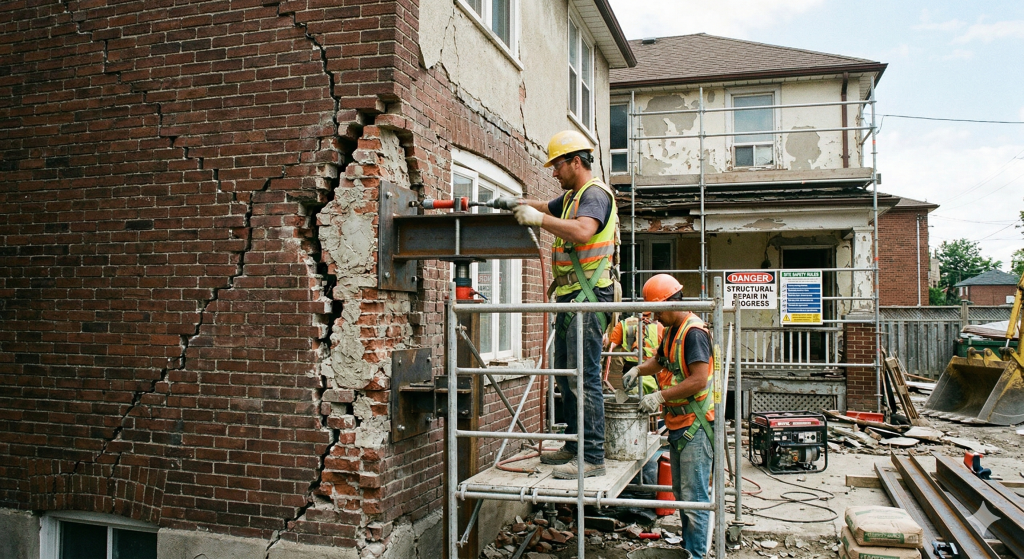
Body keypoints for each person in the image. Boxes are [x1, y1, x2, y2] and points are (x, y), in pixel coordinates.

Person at [512, 130, 618, 480]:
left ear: (576, 162)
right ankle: (575, 445)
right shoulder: (573, 197)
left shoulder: (594, 195)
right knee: (566, 375)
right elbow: (547, 207)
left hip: (589, 296)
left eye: (557, 166)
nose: (554, 173)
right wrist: (521, 203)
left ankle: (592, 456)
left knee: (584, 378)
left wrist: (537, 220)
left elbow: (584, 232)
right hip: (572, 298)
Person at [622, 274, 714, 558]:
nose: (655, 317)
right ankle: (689, 549)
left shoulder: (693, 333)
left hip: (695, 424)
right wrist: (638, 369)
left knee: (694, 496)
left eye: (658, 311)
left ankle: (696, 554)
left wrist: (660, 396)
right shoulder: (672, 330)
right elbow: (660, 360)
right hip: (679, 422)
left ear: (670, 303)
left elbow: (699, 379)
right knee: (683, 493)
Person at [604, 313, 661, 395]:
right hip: (653, 366)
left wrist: (605, 378)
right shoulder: (660, 325)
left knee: (633, 391)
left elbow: (611, 349)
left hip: (630, 366)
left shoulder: (624, 324)